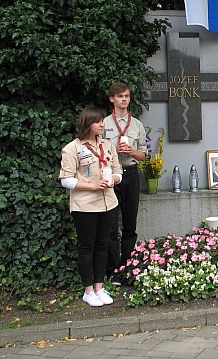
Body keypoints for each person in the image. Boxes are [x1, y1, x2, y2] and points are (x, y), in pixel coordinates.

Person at [59, 107, 122, 307]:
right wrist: (93, 186)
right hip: (84, 205)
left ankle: (99, 287)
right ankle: (88, 291)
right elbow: (66, 180)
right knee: (87, 247)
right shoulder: (72, 148)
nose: (103, 125)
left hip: (108, 203)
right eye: (98, 122)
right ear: (87, 124)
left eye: (103, 121)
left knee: (103, 245)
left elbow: (118, 171)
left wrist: (113, 179)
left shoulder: (108, 146)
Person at [103, 82, 147, 285]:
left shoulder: (136, 124)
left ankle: (127, 268)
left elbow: (144, 155)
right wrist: (113, 151)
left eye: (127, 96)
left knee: (130, 224)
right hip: (111, 175)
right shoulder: (104, 124)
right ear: (112, 99)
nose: (124, 99)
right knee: (111, 225)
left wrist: (131, 152)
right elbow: (98, 151)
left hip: (130, 174)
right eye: (120, 96)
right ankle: (113, 270)